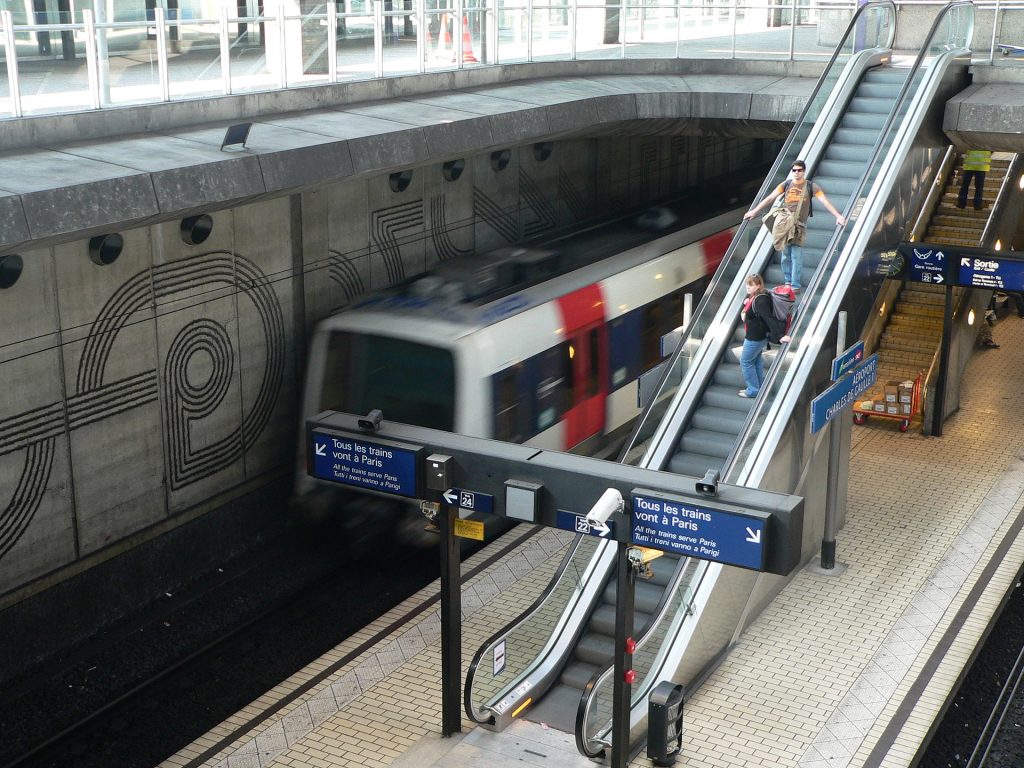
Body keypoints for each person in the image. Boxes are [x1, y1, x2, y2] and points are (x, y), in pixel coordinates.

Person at [743, 160, 847, 293]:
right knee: (786, 254)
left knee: (796, 255)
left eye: (799, 170)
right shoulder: (785, 185)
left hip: (799, 226)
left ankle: (795, 285)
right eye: (794, 170)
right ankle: (788, 282)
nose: (797, 173)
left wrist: (838, 216)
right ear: (792, 172)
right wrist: (754, 211)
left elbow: (824, 201)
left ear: (804, 171)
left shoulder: (811, 186)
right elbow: (770, 198)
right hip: (785, 224)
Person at [738, 273, 773, 398]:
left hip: (755, 337)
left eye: (751, 285)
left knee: (746, 362)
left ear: (758, 285)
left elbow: (766, 318)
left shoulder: (760, 300)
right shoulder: (755, 297)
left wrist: (779, 335)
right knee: (756, 361)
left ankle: (753, 390)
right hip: (759, 336)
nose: (748, 287)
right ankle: (759, 386)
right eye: (747, 284)